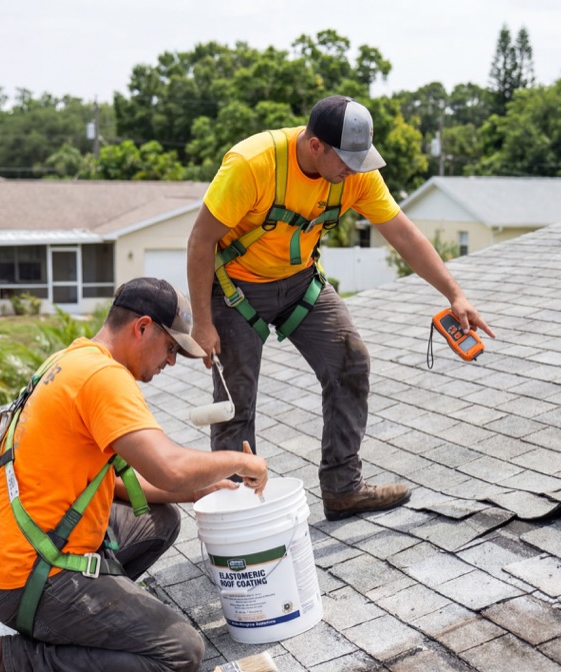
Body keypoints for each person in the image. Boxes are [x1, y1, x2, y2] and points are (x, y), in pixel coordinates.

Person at [0, 277, 268, 672]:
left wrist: (195, 492)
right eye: (170, 348)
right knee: (181, 651)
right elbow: (167, 465)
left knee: (160, 521)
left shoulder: (71, 359)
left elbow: (122, 481)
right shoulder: (104, 379)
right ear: (142, 328)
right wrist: (242, 459)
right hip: (31, 576)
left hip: (14, 556)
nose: (171, 361)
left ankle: (87, 625)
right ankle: (11, 664)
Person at [187, 95, 495, 521]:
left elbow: (403, 235)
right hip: (235, 288)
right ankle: (237, 511)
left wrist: (454, 294)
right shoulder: (253, 164)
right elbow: (200, 241)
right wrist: (203, 323)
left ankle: (343, 488)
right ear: (316, 146)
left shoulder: (357, 175)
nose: (354, 169)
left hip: (299, 284)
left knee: (351, 360)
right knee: (236, 401)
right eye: (346, 159)